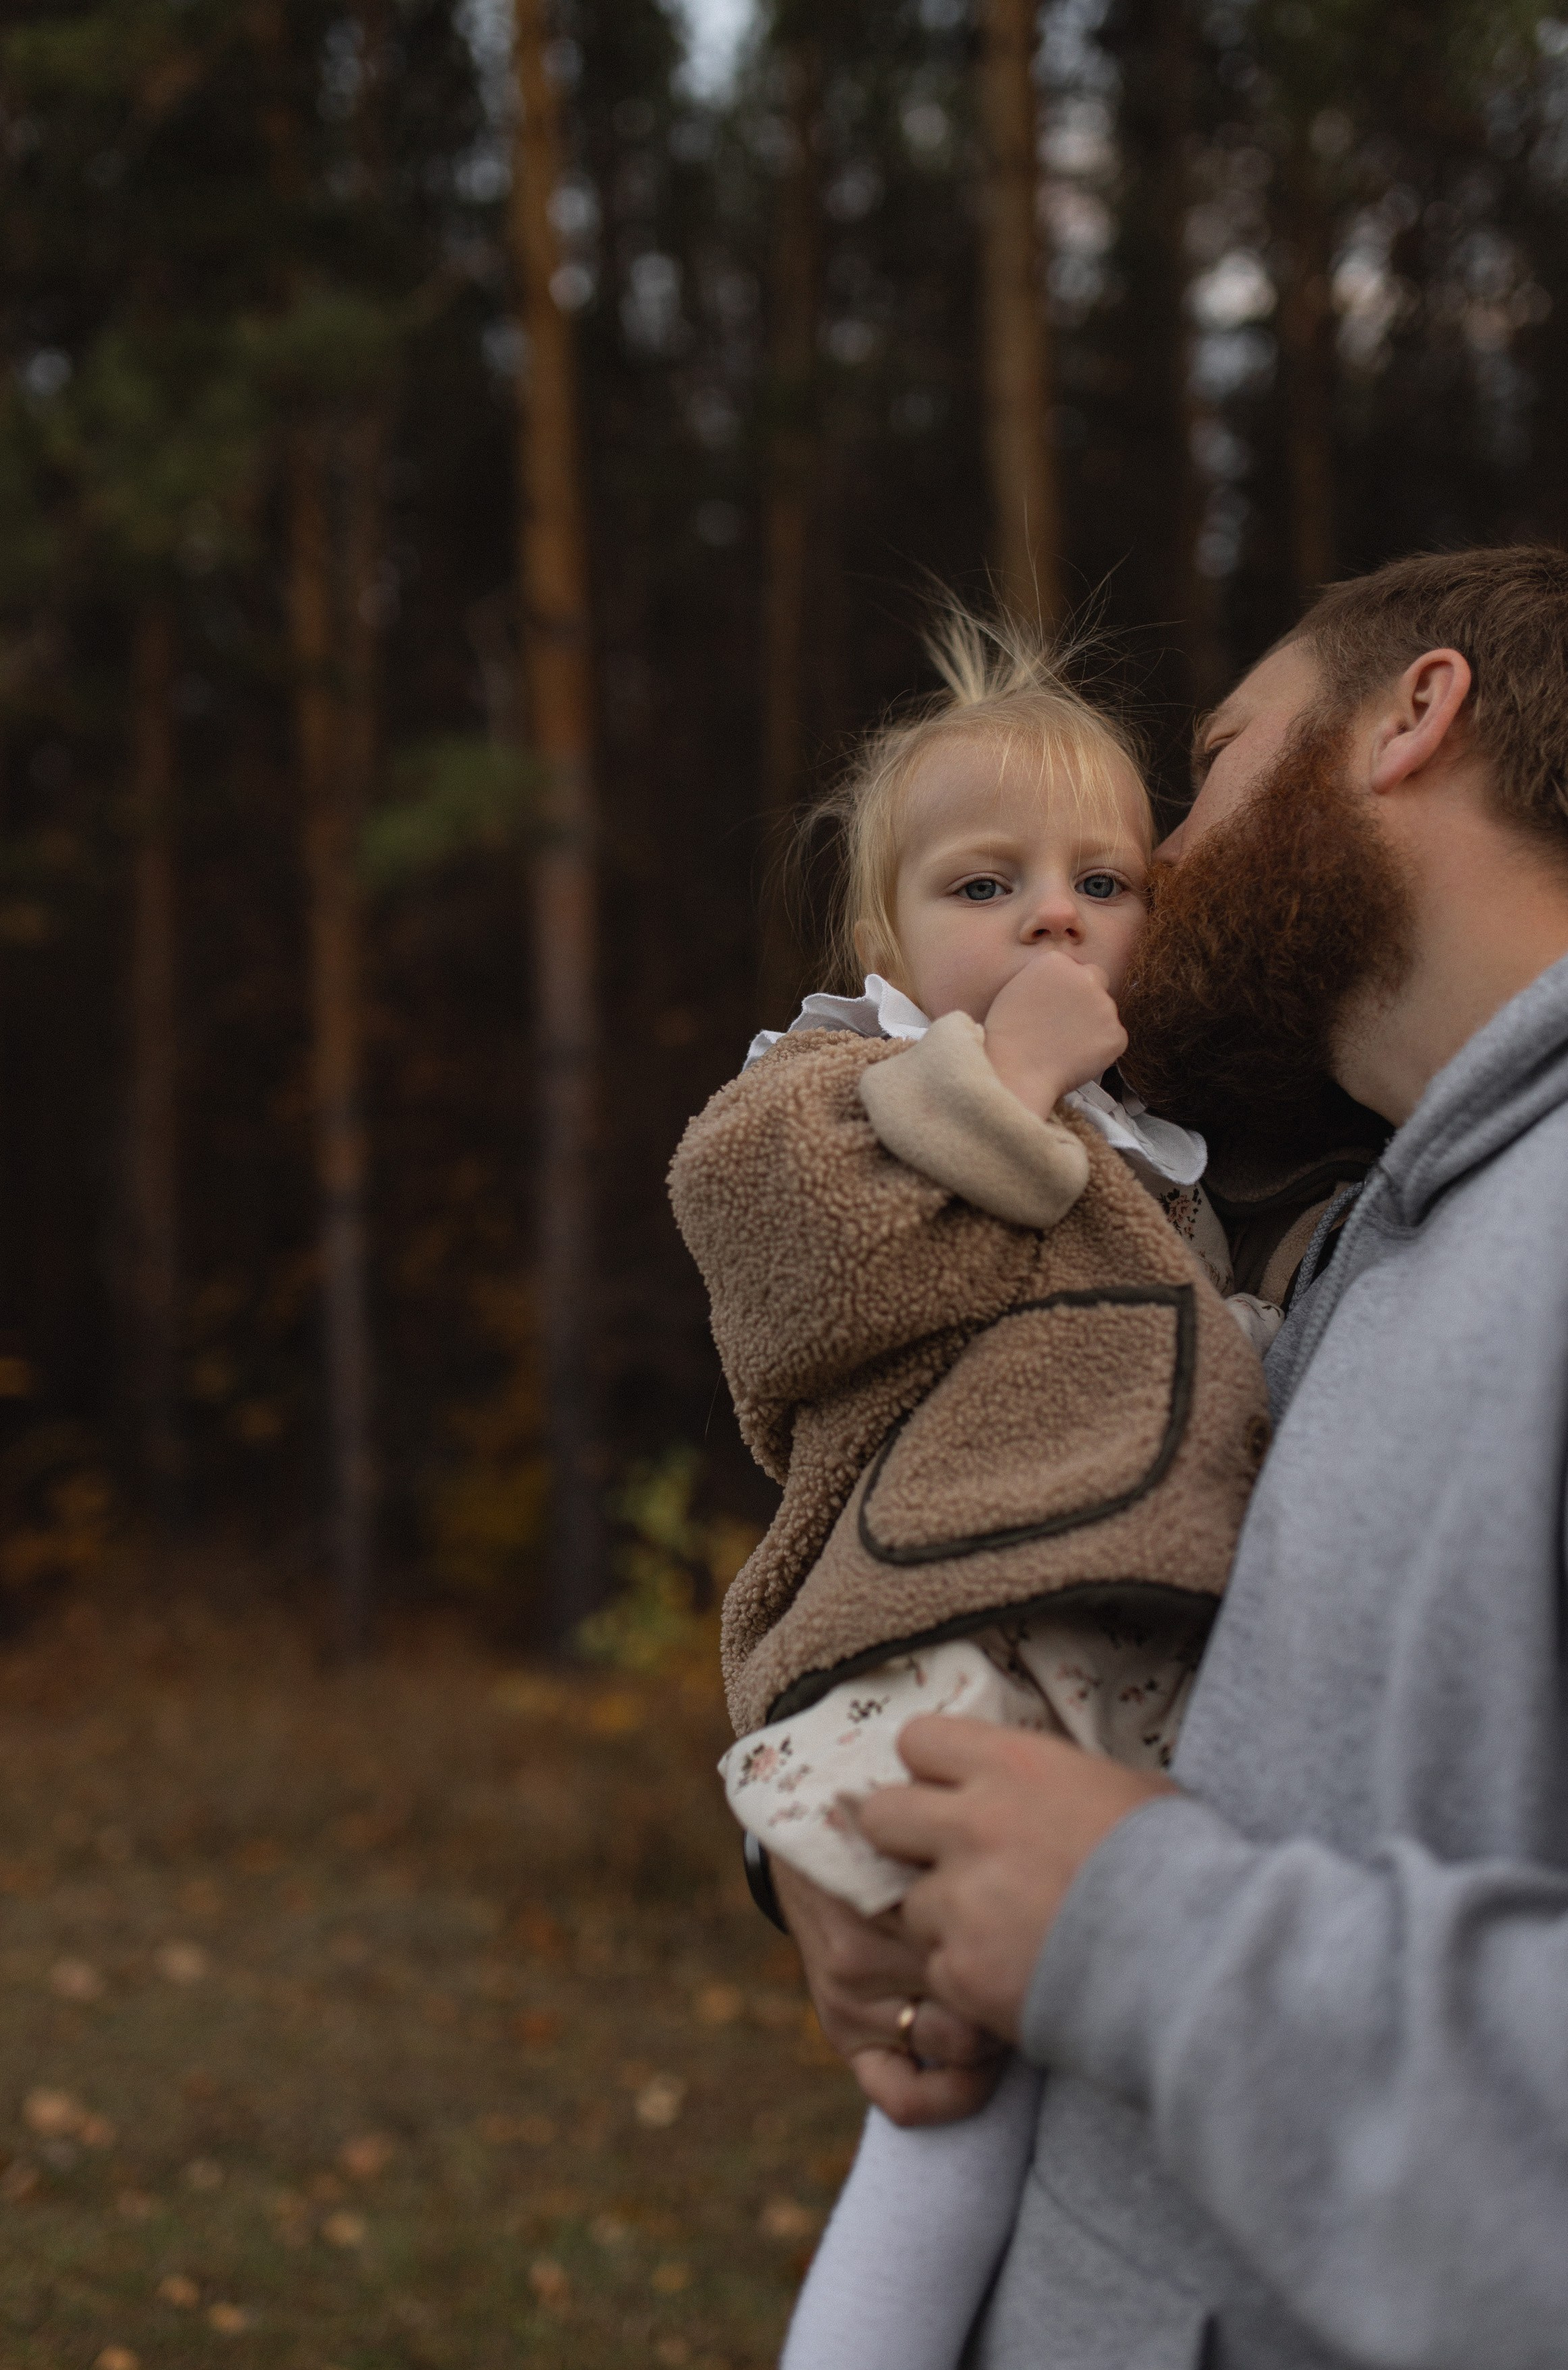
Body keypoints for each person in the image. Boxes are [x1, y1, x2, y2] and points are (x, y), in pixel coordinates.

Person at [775, 545, 1568, 2369]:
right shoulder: (1370, 1231)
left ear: (1412, 717)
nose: (1161, 865)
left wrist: (1130, 1930)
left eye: (1208, 771)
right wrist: (876, 1840)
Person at [669, 611, 1294, 2370]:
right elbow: (788, 1264)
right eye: (985, 883)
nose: (1053, 917)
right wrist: (1009, 1071)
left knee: (1057, 2078)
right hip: (932, 1632)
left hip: (1118, 1665)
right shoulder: (817, 1092)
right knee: (943, 2089)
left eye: (1106, 880)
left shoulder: (1164, 1150)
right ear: (884, 936)